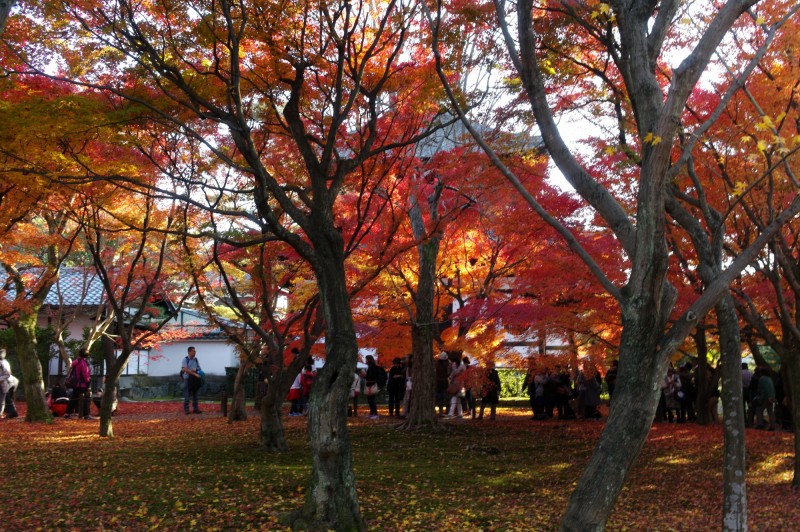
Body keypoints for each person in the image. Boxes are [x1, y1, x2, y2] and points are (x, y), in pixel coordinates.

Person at [65, 348, 94, 420]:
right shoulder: (83, 363)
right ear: (87, 355)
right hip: (82, 384)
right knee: (86, 399)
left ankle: (67, 413)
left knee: (74, 399)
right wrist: (88, 383)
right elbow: (85, 374)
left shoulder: (76, 362)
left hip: (75, 383)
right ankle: (87, 414)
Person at [181, 346, 203, 415]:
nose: (194, 352)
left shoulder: (196, 359)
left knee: (195, 395)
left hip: (195, 380)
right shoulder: (185, 359)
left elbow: (199, 369)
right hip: (187, 379)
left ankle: (195, 409)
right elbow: (185, 369)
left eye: (195, 351)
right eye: (193, 351)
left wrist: (196, 370)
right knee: (187, 395)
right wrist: (194, 374)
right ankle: (186, 409)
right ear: (189, 352)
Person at [754, 366, 776, 431]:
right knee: (770, 412)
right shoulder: (770, 379)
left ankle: (760, 424)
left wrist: (768, 396)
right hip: (771, 397)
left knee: (759, 410)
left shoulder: (762, 379)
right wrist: (772, 396)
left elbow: (765, 389)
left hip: (764, 397)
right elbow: (772, 388)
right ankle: (772, 426)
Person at [0, 349, 19, 419]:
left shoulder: (3, 362)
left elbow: (7, 374)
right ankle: (12, 412)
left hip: (9, 382)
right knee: (6, 398)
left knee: (4, 398)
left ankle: (12, 412)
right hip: (6, 382)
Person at [364, 355, 381, 419]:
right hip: (370, 384)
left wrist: (366, 376)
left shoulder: (372, 367)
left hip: (371, 385)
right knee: (370, 400)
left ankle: (375, 414)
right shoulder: (371, 367)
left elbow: (373, 376)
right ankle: (372, 413)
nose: (365, 361)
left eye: (366, 359)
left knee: (372, 400)